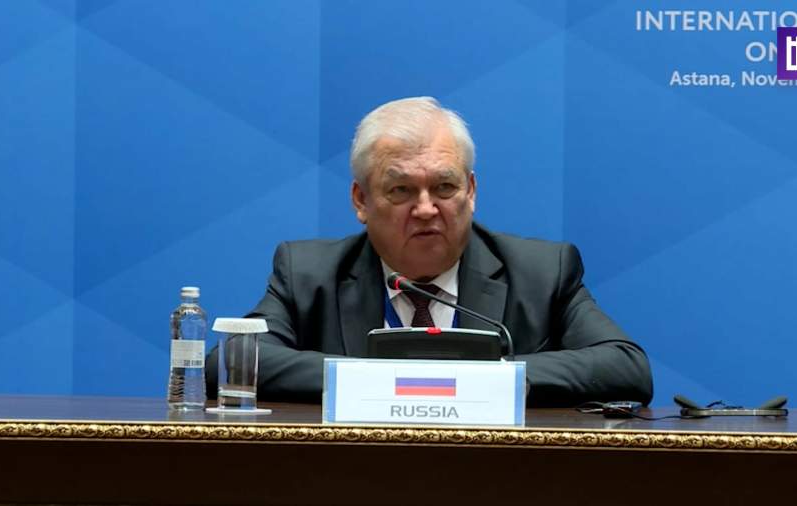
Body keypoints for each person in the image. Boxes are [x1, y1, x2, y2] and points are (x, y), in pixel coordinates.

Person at [207, 97, 652, 407]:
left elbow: (626, 367)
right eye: (401, 190)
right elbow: (229, 363)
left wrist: (483, 378)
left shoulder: (542, 272)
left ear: (470, 191)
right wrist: (386, 378)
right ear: (361, 200)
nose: (425, 209)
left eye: (444, 187)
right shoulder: (308, 273)